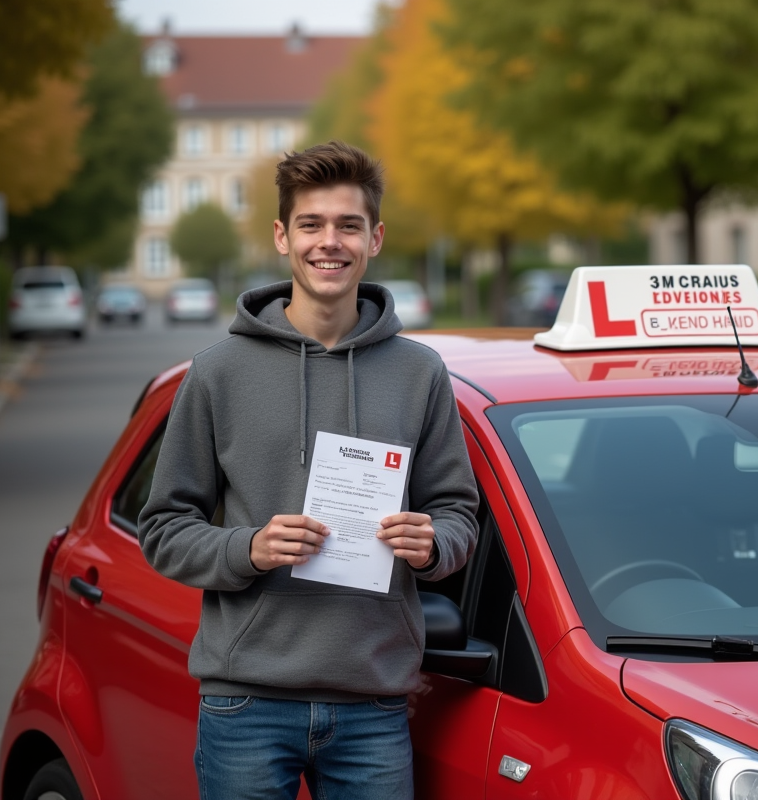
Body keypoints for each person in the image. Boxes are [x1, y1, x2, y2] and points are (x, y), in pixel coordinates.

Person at [138, 140, 478, 800]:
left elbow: (459, 514)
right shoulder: (218, 372)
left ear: (374, 237)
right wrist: (249, 547)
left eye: (348, 225)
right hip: (247, 703)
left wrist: (434, 543)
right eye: (312, 224)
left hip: (373, 705)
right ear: (282, 235)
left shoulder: (420, 373)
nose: (331, 242)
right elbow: (163, 528)